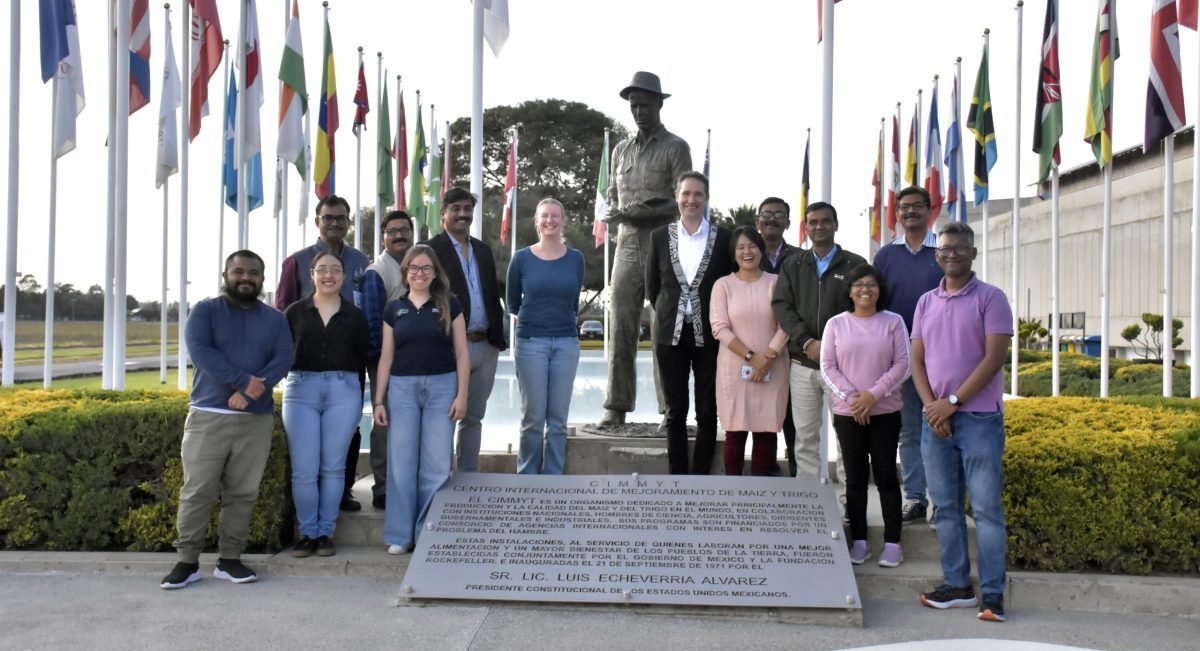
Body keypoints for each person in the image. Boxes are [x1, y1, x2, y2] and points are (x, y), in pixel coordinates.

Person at [160, 250, 292, 589]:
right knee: (197, 492)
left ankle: (229, 559)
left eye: (253, 273)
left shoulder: (275, 319)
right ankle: (187, 562)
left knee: (243, 494)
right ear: (226, 274)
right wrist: (241, 381)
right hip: (209, 416)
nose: (245, 278)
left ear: (262, 279)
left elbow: (282, 359)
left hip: (255, 420)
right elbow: (201, 353)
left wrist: (249, 393)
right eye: (238, 272)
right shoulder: (205, 311)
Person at [912, 221, 1013, 623]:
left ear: (973, 253)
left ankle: (993, 594)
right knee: (947, 509)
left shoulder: (991, 298)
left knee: (987, 510)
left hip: (979, 419)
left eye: (958, 248)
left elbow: (994, 359)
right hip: (935, 419)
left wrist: (951, 402)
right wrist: (931, 407)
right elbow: (916, 360)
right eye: (944, 249)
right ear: (937, 256)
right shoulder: (925, 302)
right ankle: (957, 586)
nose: (950, 254)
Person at [599, 71, 692, 429]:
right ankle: (616, 406)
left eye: (645, 104)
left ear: (659, 103)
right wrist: (618, 212)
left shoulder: (675, 147)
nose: (638, 111)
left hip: (664, 244)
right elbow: (612, 195)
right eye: (633, 105)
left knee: (664, 328)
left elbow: (686, 200)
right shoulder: (622, 149)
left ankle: (670, 410)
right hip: (625, 244)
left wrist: (645, 210)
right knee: (620, 324)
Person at [275, 194, 371, 512]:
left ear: (348, 223)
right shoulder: (297, 261)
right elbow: (281, 313)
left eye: (341, 218)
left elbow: (368, 307)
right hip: (307, 365)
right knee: (306, 439)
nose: (335, 223)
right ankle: (308, 496)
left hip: (349, 361)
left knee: (350, 429)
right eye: (328, 217)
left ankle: (341, 490)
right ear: (318, 222)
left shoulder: (361, 261)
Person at [373, 245, 469, 555]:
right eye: (414, 268)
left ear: (435, 272)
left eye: (426, 268)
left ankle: (427, 530)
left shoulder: (450, 305)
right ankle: (401, 535)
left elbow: (462, 353)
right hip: (402, 389)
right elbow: (386, 357)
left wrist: (462, 395)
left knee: (437, 464)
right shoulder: (393, 309)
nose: (419, 274)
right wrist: (378, 401)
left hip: (443, 386)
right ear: (405, 272)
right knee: (401, 463)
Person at [281, 251, 370, 559]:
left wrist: (373, 398)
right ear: (312, 274)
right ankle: (307, 533)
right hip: (300, 390)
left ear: (343, 276)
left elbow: (365, 358)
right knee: (304, 469)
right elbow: (280, 353)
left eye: (335, 269)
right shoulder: (294, 312)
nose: (328, 274)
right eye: (322, 269)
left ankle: (325, 534)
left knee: (333, 467)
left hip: (343, 391)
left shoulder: (355, 316)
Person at [820, 264, 909, 568]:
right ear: (850, 291)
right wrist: (855, 399)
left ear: (879, 290)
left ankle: (893, 542)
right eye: (858, 284)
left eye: (871, 284)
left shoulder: (893, 322)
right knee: (855, 478)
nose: (865, 289)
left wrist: (873, 395)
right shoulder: (836, 324)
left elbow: (902, 365)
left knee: (885, 475)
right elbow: (828, 367)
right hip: (849, 414)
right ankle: (859, 541)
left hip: (884, 412)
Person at [771, 201, 866, 479]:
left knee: (848, 437)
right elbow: (782, 306)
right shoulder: (793, 264)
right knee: (805, 437)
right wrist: (807, 342)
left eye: (825, 221)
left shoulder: (855, 264)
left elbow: (863, 309)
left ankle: (851, 500)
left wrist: (833, 346)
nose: (819, 226)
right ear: (806, 227)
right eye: (813, 222)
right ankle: (809, 499)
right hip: (803, 363)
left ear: (835, 225)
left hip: (844, 366)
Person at [646, 171, 732, 474]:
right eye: (686, 194)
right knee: (676, 411)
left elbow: (729, 285)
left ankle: (701, 476)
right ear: (677, 196)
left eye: (697, 194)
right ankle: (678, 476)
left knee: (708, 410)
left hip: (710, 336)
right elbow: (652, 288)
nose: (691, 200)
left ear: (706, 198)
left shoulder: (724, 239)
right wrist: (673, 313)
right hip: (670, 336)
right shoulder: (658, 237)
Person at [873, 186, 944, 526]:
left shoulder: (944, 252)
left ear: (930, 210)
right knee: (910, 431)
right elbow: (877, 306)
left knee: (941, 427)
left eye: (918, 206)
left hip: (941, 358)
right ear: (897, 213)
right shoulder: (885, 257)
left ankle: (941, 500)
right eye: (904, 207)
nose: (910, 212)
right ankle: (915, 498)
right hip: (902, 359)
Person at [423, 187, 507, 473]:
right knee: (447, 415)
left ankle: (468, 478)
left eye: (467, 209)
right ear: (443, 213)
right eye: (455, 208)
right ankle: (443, 478)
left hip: (485, 345)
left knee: (473, 417)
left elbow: (491, 293)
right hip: (449, 347)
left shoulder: (482, 250)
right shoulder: (430, 250)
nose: (462, 214)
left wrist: (498, 339)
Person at [507, 198, 585, 474]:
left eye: (555, 216)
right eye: (544, 216)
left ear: (563, 220)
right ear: (537, 221)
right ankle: (527, 477)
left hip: (566, 342)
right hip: (530, 343)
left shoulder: (575, 258)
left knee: (558, 420)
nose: (550, 220)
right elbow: (513, 303)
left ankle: (553, 478)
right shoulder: (521, 259)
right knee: (533, 418)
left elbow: (574, 301)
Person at [710, 226, 788, 476]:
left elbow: (786, 324)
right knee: (735, 431)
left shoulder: (775, 283)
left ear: (761, 249)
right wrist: (751, 357)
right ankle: (734, 498)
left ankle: (761, 499)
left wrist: (767, 357)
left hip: (773, 366)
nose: (747, 252)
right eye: (740, 247)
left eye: (752, 246)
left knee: (765, 432)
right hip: (734, 369)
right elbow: (720, 328)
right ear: (733, 254)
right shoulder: (723, 285)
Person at [359, 210, 415, 509]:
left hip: (416, 362)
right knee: (385, 423)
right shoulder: (377, 272)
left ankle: (406, 483)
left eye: (404, 230)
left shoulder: (417, 265)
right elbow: (371, 323)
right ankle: (383, 487)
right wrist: (387, 364)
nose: (399, 236)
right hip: (388, 362)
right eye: (392, 231)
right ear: (383, 236)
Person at [756, 197, 800, 477]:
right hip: (755, 347)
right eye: (767, 214)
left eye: (779, 214)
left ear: (788, 222)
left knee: (793, 417)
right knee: (763, 412)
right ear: (757, 221)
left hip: (792, 347)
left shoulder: (799, 257)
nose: (772, 219)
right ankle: (766, 470)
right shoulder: (746, 254)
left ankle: (798, 473)